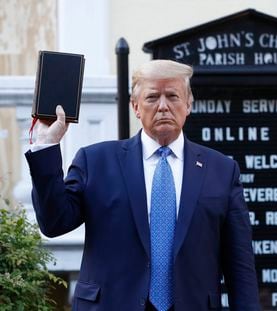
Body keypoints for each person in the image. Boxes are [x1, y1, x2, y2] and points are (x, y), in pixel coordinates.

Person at [25, 59, 260, 311]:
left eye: (172, 96)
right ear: (135, 106)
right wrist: (46, 146)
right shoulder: (96, 162)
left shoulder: (222, 170)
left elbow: (240, 266)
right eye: (152, 97)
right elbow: (54, 223)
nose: (163, 106)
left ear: (188, 104)